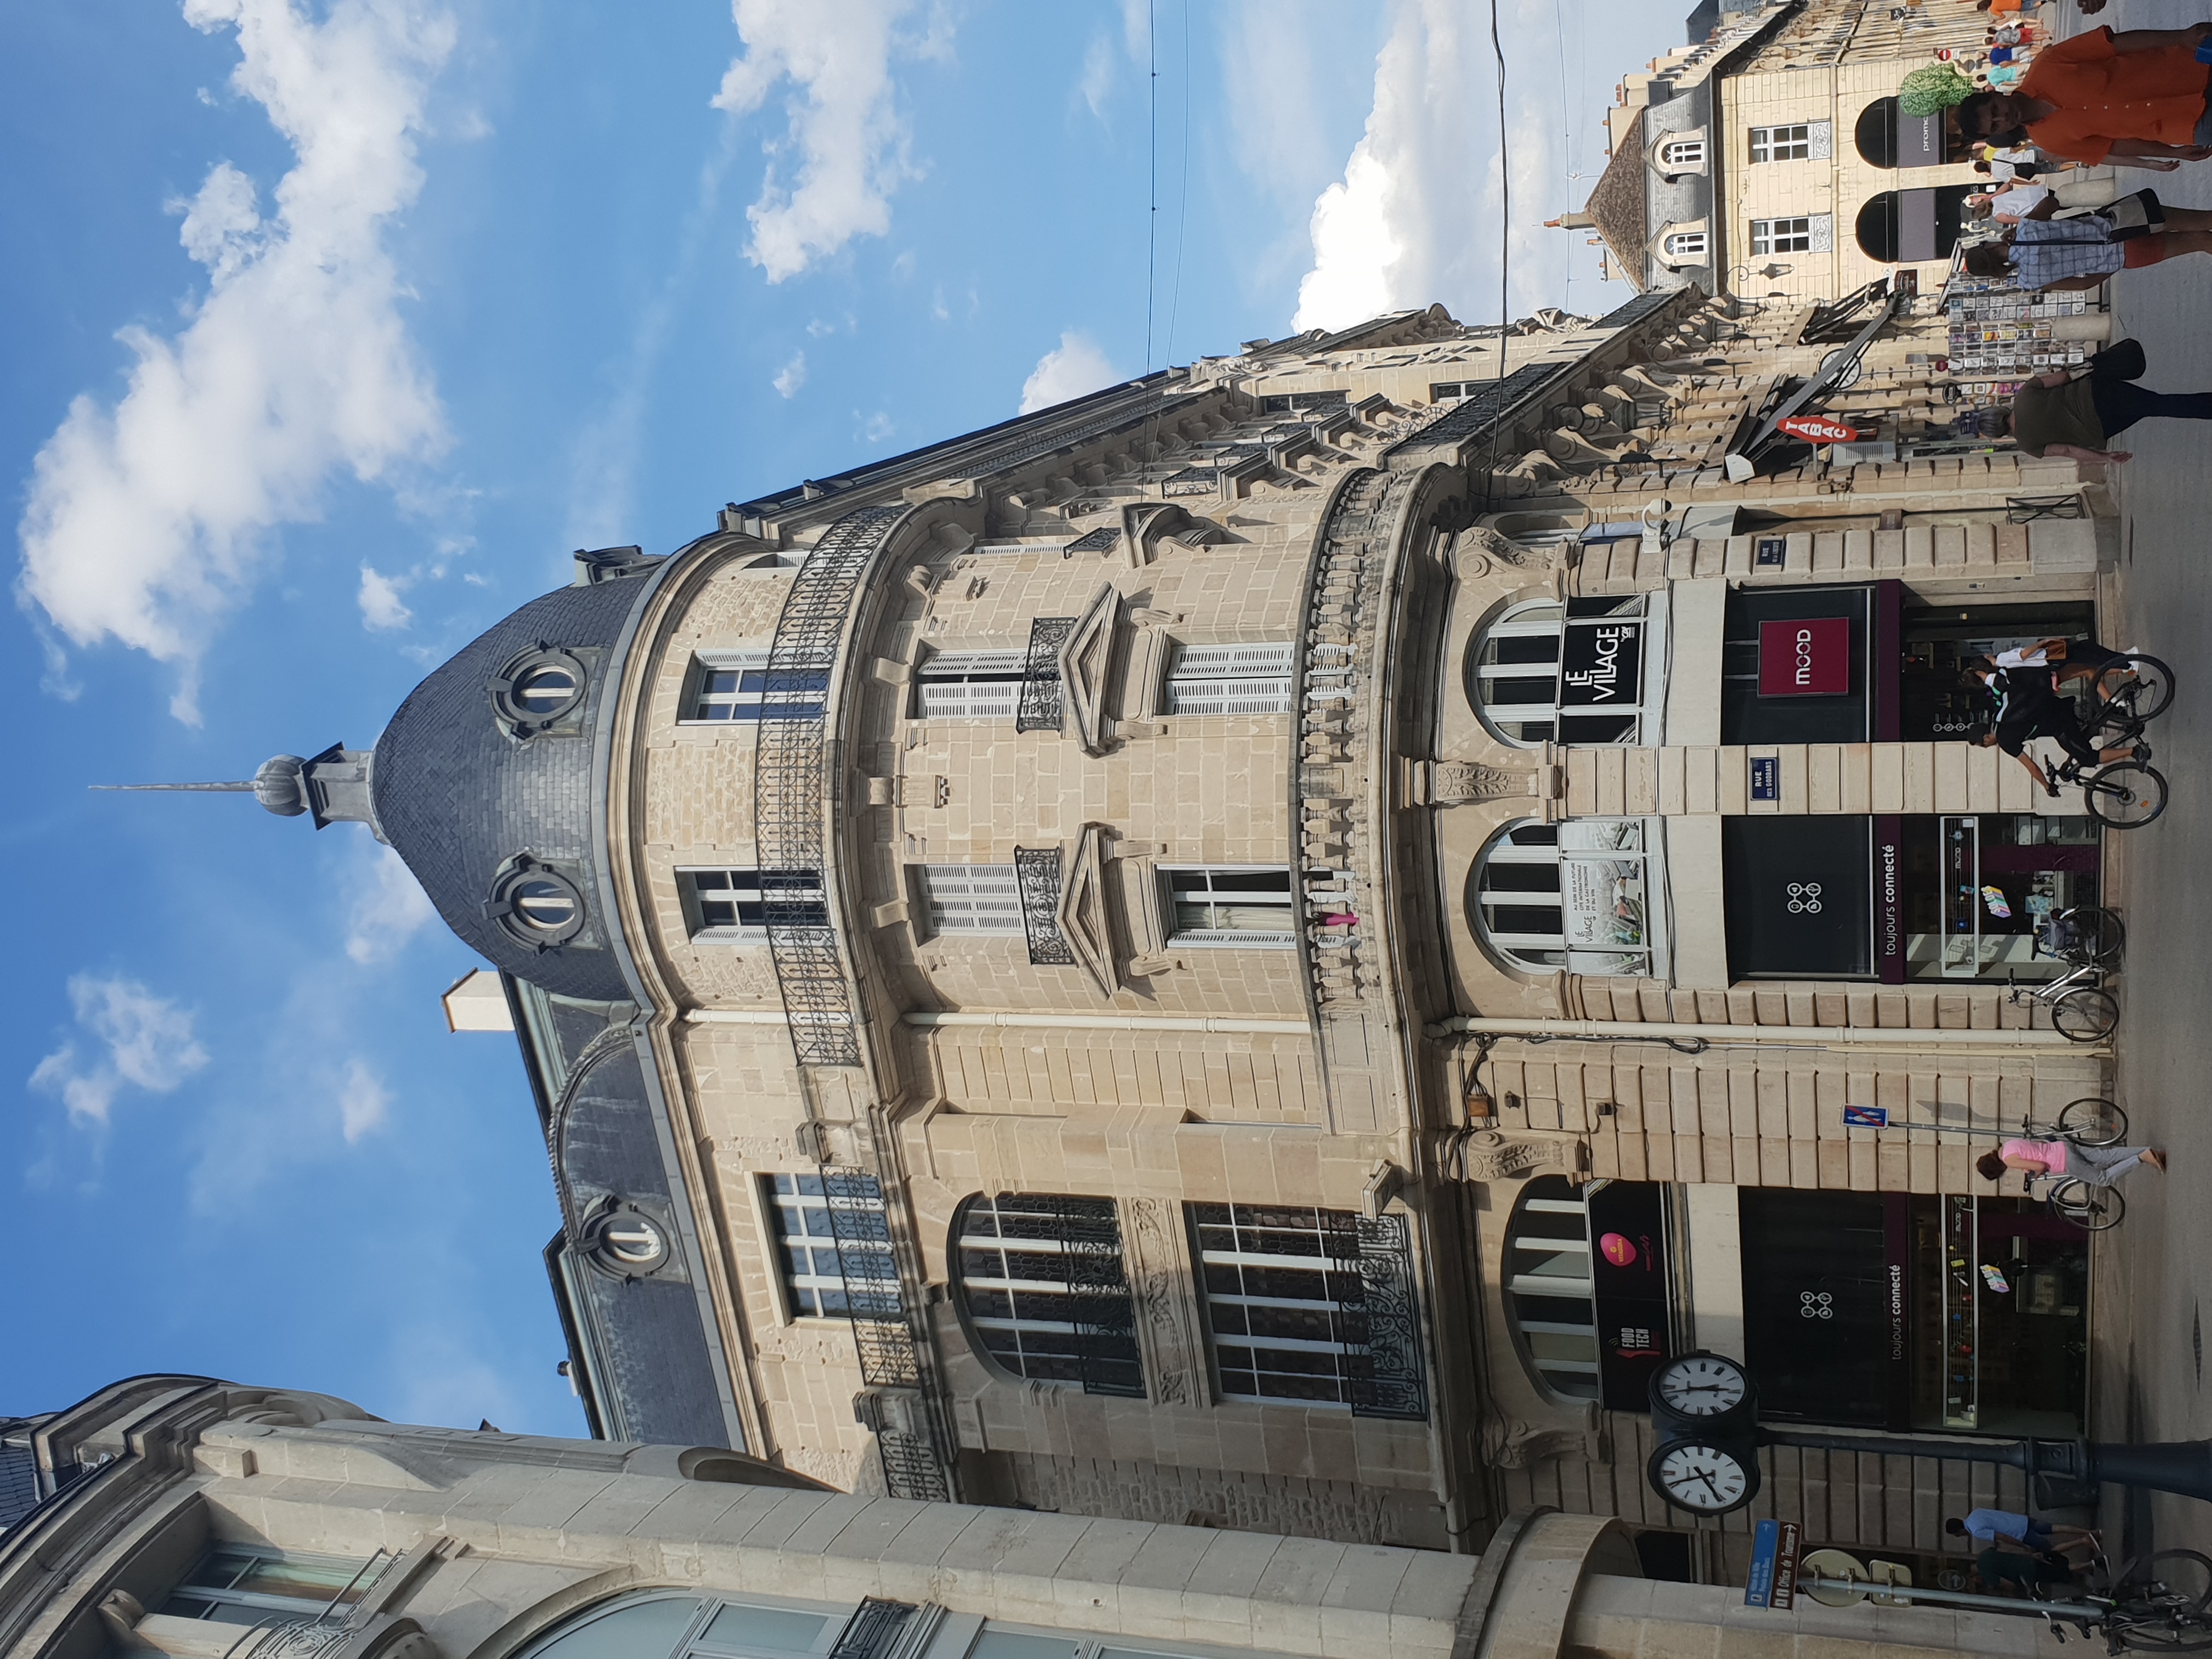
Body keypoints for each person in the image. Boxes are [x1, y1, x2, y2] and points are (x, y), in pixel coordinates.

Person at [1957, 24, 2212, 170]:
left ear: (1995, 95)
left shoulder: (2048, 64)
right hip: (2186, 124)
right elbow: (2115, 146)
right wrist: (2173, 152)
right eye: (1995, 125)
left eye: (1994, 111)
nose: (2003, 118)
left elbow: (2116, 44)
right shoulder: (2050, 142)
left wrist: (2180, 36)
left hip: (2189, 66)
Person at [1959, 192, 2212, 292]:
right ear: (1989, 246)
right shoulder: (2025, 230)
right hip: (2122, 223)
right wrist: (2016, 229)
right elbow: (2051, 203)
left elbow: (2083, 285)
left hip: (2127, 256)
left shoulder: (2030, 282)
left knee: (2200, 241)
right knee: (2202, 221)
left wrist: (2112, 264)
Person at [1964, 657, 2143, 795]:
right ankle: (2119, 715)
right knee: (2081, 737)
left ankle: (2135, 752)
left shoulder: (2005, 741)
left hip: (2059, 723)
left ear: (1986, 738)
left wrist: (2047, 786)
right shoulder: (1999, 714)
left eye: (1984, 745)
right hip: (2054, 706)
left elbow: (2032, 767)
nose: (1987, 747)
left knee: (2087, 758)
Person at [1983, 360, 2212, 467]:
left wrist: (2106, 457)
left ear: (1999, 434)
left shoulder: (2028, 446)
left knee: (2156, 407)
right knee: (2157, 402)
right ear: (1997, 411)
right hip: (2096, 392)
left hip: (2101, 425)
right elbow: (2063, 377)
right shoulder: (2024, 395)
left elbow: (2067, 450)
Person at [1977, 1137, 2166, 1187]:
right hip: (2062, 1148)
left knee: (2103, 1179)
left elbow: (2040, 1166)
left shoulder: (2009, 1160)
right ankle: (2149, 1152)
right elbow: (2038, 1147)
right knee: (2105, 1156)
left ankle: (2142, 1158)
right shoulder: (2009, 1145)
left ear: (1996, 1169)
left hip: (2063, 1161)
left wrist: (2033, 1174)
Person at [1946, 1509, 2100, 1564]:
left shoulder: (1976, 1531)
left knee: (2051, 1551)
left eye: (1959, 1536)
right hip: (2021, 1520)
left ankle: (2084, 1541)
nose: (1963, 1537)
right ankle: (2089, 1532)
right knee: (2055, 1528)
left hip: (2020, 1534)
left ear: (1959, 1531)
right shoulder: (1976, 1513)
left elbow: (2001, 1537)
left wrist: (2023, 1546)